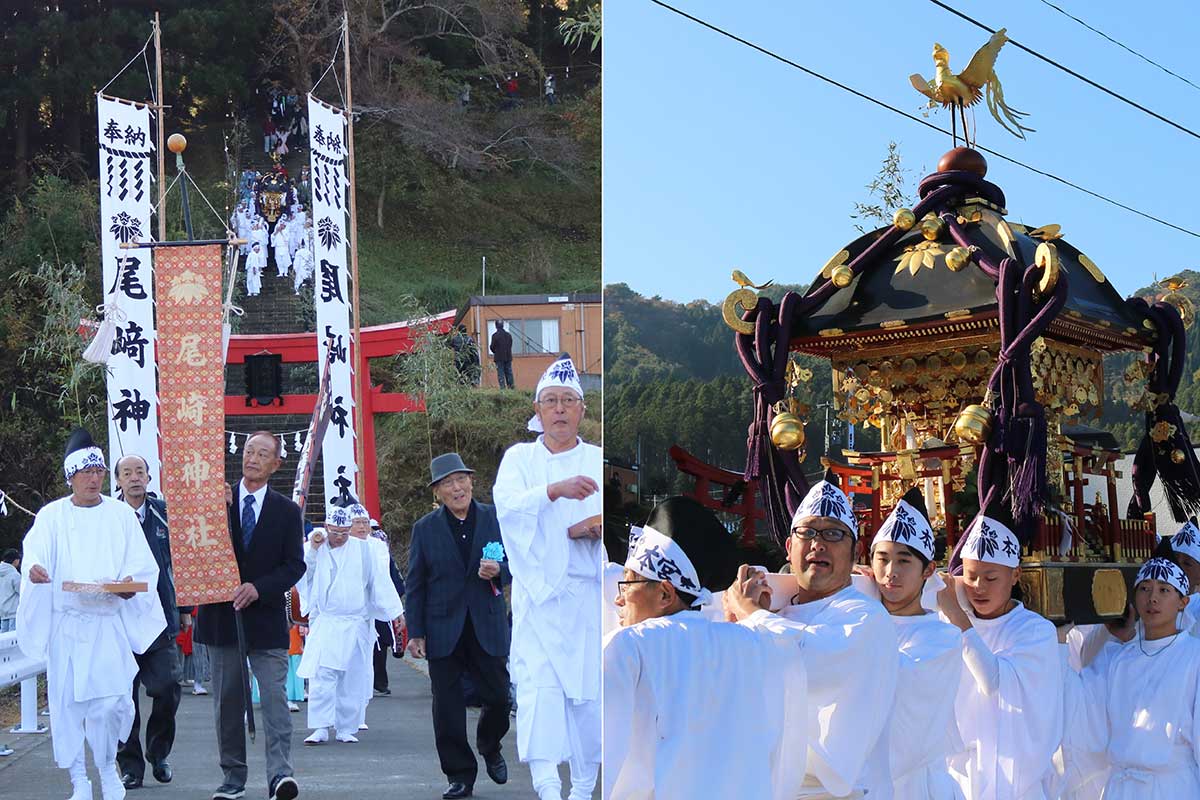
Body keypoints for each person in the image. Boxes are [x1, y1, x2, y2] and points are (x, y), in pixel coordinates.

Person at [603, 497, 807, 800]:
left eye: (628, 584)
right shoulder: (753, 644)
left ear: (664, 594)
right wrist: (750, 610)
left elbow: (605, 759)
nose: (619, 600)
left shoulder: (629, 645)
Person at [723, 469, 900, 799]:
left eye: (834, 535)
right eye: (808, 533)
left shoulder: (866, 617)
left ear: (856, 550)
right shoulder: (775, 612)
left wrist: (751, 614)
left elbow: (805, 659)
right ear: (790, 547)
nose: (818, 544)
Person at [16, 429, 165, 800]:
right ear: (71, 476)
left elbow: (143, 566)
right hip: (68, 627)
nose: (94, 477)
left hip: (106, 625)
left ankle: (107, 768)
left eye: (98, 470)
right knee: (69, 706)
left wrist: (131, 582)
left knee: (112, 703)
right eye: (86, 472)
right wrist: (34, 571)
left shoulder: (120, 515)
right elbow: (34, 553)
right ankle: (79, 778)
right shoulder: (52, 516)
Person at [494, 355, 602, 800]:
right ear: (537, 411)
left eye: (568, 401)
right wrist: (554, 494)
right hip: (540, 600)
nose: (559, 409)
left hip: (587, 596)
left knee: (588, 696)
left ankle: (581, 789)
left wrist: (594, 526)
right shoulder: (520, 458)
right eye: (551, 401)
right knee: (540, 693)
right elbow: (508, 509)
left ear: (582, 410)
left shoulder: (598, 458)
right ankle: (546, 790)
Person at [194, 431, 305, 800]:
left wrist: (259, 586)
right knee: (227, 701)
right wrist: (219, 512)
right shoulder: (215, 501)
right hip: (222, 617)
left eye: (262, 454)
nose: (252, 458)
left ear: (276, 464)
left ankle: (280, 776)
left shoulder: (287, 511)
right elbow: (198, 551)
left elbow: (294, 565)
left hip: (266, 618)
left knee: (274, 699)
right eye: (248, 451)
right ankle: (233, 777)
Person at [937, 500, 1063, 800]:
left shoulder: (1035, 631)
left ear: (1015, 575)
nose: (979, 587)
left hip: (1017, 784)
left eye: (991, 578)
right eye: (970, 576)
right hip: (959, 778)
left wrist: (957, 616)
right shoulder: (948, 618)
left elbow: (993, 680)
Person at [407, 453, 513, 800]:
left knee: (498, 697)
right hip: (442, 627)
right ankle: (459, 775)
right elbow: (416, 583)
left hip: (487, 621)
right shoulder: (425, 528)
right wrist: (416, 632)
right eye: (448, 483)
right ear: (437, 492)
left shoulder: (495, 518)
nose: (457, 487)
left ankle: (489, 743)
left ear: (472, 481)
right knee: (447, 707)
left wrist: (500, 572)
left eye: (461, 479)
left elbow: (521, 562)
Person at [1060, 557, 1200, 799]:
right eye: (1144, 589)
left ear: (1182, 602)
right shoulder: (1117, 658)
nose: (1152, 598)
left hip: (1173, 787)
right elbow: (1080, 705)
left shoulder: (1194, 656)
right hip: (1121, 788)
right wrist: (1058, 645)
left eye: (1164, 590)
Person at [865, 488, 965, 799]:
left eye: (904, 561)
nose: (891, 573)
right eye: (882, 559)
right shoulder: (859, 620)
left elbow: (895, 678)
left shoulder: (942, 639)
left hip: (918, 787)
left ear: (929, 571)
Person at [113, 454, 189, 790]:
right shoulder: (106, 516)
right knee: (121, 698)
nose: (134, 478)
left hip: (159, 618)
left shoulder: (164, 514)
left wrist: (185, 608)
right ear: (117, 480)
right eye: (126, 473)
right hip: (116, 619)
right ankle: (129, 766)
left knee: (168, 687)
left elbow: (183, 563)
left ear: (149, 477)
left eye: (139, 472)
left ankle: (158, 753)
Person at [297, 505, 402, 746]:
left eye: (345, 532)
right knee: (323, 676)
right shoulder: (316, 545)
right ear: (327, 527)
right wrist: (313, 548)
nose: (340, 537)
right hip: (328, 620)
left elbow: (380, 583)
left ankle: (346, 727)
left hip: (355, 621)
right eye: (335, 532)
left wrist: (395, 612)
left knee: (351, 677)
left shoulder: (365, 550)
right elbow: (304, 573)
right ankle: (321, 727)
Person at [345, 501, 404, 732]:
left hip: (366, 616)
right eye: (356, 523)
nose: (361, 527)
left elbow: (383, 580)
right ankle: (329, 718)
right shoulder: (335, 544)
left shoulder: (377, 547)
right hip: (337, 617)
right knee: (335, 668)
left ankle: (358, 713)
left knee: (363, 666)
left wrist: (395, 611)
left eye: (364, 522)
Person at [489, 321, 514, 390]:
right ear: (503, 326)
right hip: (508, 356)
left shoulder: (495, 336)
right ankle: (511, 387)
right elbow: (510, 345)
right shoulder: (509, 335)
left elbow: (492, 347)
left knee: (501, 374)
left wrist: (496, 352)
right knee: (509, 373)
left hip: (499, 357)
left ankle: (502, 389)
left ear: (496, 326)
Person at [0, 548, 19, 632]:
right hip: (13, 613)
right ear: (15, 561)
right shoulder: (14, 575)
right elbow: (22, 591)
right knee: (13, 640)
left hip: (2, 613)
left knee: (3, 640)